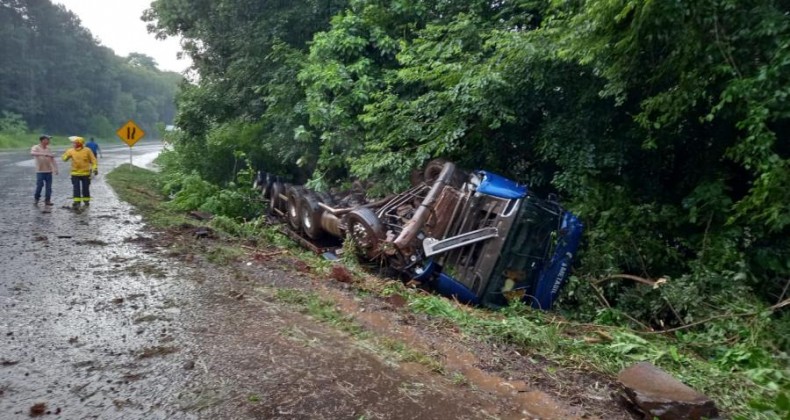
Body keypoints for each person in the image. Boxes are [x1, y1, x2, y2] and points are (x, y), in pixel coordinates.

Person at [62, 136, 98, 209]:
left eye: (75, 143)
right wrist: (65, 155)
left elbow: (93, 160)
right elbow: (64, 159)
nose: (73, 144)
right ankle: (77, 202)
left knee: (85, 188)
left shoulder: (87, 150)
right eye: (73, 143)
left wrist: (95, 168)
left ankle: (86, 201)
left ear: (79, 143)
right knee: (76, 188)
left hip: (85, 173)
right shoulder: (71, 150)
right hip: (75, 173)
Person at [30, 134, 59, 206]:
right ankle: (36, 199)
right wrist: (44, 154)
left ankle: (47, 200)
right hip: (40, 171)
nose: (48, 141)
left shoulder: (48, 149)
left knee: (49, 187)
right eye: (47, 139)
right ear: (42, 140)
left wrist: (56, 168)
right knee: (39, 185)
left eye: (49, 139)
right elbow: (32, 153)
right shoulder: (36, 147)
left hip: (49, 171)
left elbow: (52, 158)